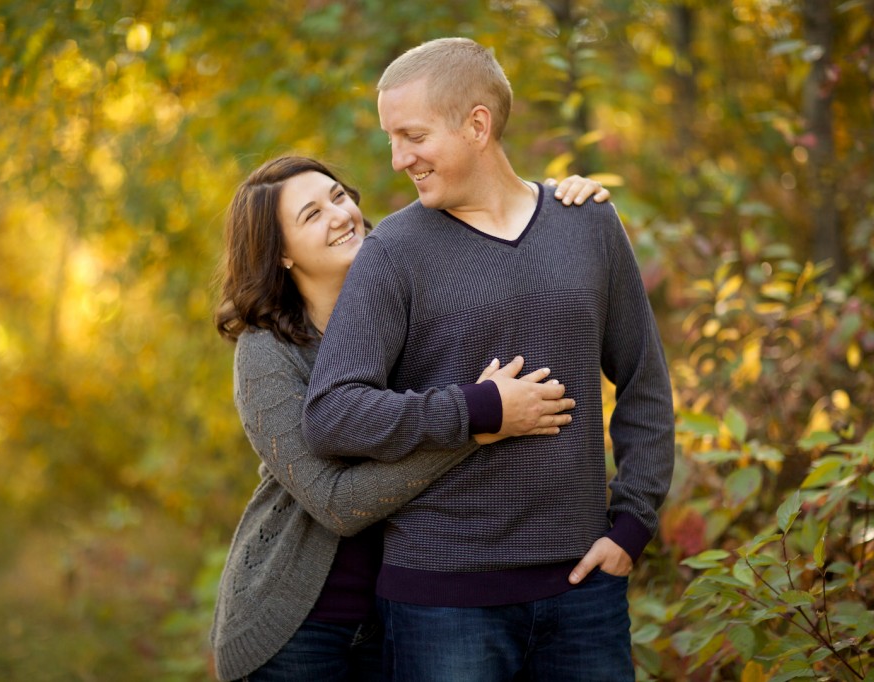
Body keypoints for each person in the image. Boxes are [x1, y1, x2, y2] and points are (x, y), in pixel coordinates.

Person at [302, 38, 676, 682]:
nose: (398, 160)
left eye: (412, 135)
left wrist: (634, 524)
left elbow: (644, 379)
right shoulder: (393, 251)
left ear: (477, 124)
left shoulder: (586, 224)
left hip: (583, 593)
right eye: (392, 138)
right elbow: (332, 412)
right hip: (441, 601)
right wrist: (476, 410)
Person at [209, 154, 610, 681]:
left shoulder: (406, 303)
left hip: (404, 613)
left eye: (338, 196)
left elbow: (503, 252)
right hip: (297, 627)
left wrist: (560, 203)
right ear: (279, 253)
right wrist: (478, 422)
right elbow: (337, 504)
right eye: (311, 215)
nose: (340, 214)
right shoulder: (267, 354)